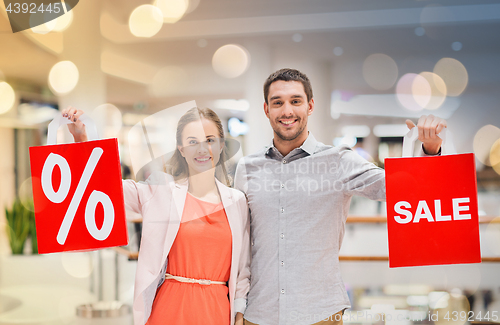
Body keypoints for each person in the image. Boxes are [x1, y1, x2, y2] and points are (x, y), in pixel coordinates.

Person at [234, 68, 446, 325]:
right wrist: (239, 305)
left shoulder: (338, 161)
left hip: (320, 313)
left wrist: (429, 149)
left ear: (310, 106)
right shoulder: (248, 167)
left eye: (296, 101)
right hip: (258, 314)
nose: (287, 111)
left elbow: (400, 190)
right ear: (267, 109)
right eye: (278, 102)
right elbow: (241, 245)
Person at [62, 106, 250, 325]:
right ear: (181, 149)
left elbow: (243, 270)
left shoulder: (237, 202)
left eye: (209, 140)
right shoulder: (161, 192)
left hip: (216, 311)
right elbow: (106, 186)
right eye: (192, 142)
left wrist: (239, 314)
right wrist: (82, 139)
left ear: (221, 145)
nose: (201, 149)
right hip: (168, 310)